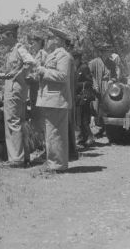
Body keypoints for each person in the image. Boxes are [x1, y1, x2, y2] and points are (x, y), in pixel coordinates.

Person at [34, 27, 73, 172]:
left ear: (57, 40)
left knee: (56, 134)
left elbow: (63, 76)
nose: (48, 41)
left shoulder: (63, 56)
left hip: (57, 99)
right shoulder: (52, 55)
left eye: (50, 38)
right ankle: (53, 163)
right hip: (50, 99)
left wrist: (44, 71)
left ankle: (57, 165)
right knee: (51, 134)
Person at [0, 23, 35, 168]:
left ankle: (16, 159)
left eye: (3, 36)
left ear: (11, 35)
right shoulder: (12, 51)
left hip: (14, 90)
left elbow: (30, 62)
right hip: (15, 90)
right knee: (19, 122)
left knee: (13, 121)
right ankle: (24, 157)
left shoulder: (19, 48)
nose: (2, 39)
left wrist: (15, 75)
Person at [25, 34, 47, 137]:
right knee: (37, 118)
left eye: (33, 43)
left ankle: (47, 148)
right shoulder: (37, 54)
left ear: (39, 42)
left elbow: (41, 73)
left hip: (40, 91)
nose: (31, 45)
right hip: (35, 91)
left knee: (41, 119)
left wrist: (31, 77)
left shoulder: (42, 54)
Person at [72, 51, 96, 148]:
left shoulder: (84, 67)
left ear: (77, 59)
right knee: (79, 119)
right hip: (78, 97)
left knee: (84, 119)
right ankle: (83, 137)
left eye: (73, 59)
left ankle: (90, 137)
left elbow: (89, 82)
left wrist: (76, 85)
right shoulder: (76, 68)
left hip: (85, 96)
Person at [88, 44, 112, 137]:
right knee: (96, 108)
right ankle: (95, 129)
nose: (109, 52)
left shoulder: (112, 63)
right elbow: (89, 74)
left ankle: (104, 128)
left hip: (107, 88)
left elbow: (115, 76)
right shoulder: (94, 62)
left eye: (109, 51)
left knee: (106, 108)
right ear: (103, 52)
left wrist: (111, 80)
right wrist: (94, 84)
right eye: (107, 51)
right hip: (96, 88)